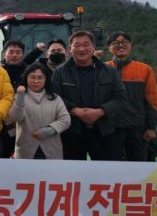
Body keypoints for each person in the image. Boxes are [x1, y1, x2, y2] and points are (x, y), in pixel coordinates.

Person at [51, 30, 127, 160]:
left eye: (86, 44)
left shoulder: (109, 71)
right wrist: (75, 110)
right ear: (70, 49)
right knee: (72, 174)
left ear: (93, 47)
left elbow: (121, 98)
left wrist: (101, 111)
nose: (81, 49)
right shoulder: (60, 72)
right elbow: (54, 97)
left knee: (105, 175)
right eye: (77, 45)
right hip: (71, 131)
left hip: (104, 131)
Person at [106, 31, 157, 161]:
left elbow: (152, 100)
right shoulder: (103, 68)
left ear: (130, 45)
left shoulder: (145, 69)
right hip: (110, 129)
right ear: (109, 47)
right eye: (115, 43)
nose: (120, 45)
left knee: (139, 167)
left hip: (138, 129)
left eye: (124, 42)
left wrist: (151, 127)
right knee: (110, 167)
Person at [8, 63, 70, 159]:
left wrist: (48, 131)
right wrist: (20, 97)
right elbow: (15, 117)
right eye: (32, 77)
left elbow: (65, 120)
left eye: (40, 77)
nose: (36, 81)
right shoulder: (19, 97)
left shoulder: (55, 98)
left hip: (52, 148)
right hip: (25, 149)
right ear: (26, 78)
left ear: (46, 79)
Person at [0, 39, 28, 157]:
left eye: (18, 52)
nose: (14, 55)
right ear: (4, 54)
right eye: (11, 52)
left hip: (24, 120)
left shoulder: (30, 71)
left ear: (23, 54)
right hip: (1, 119)